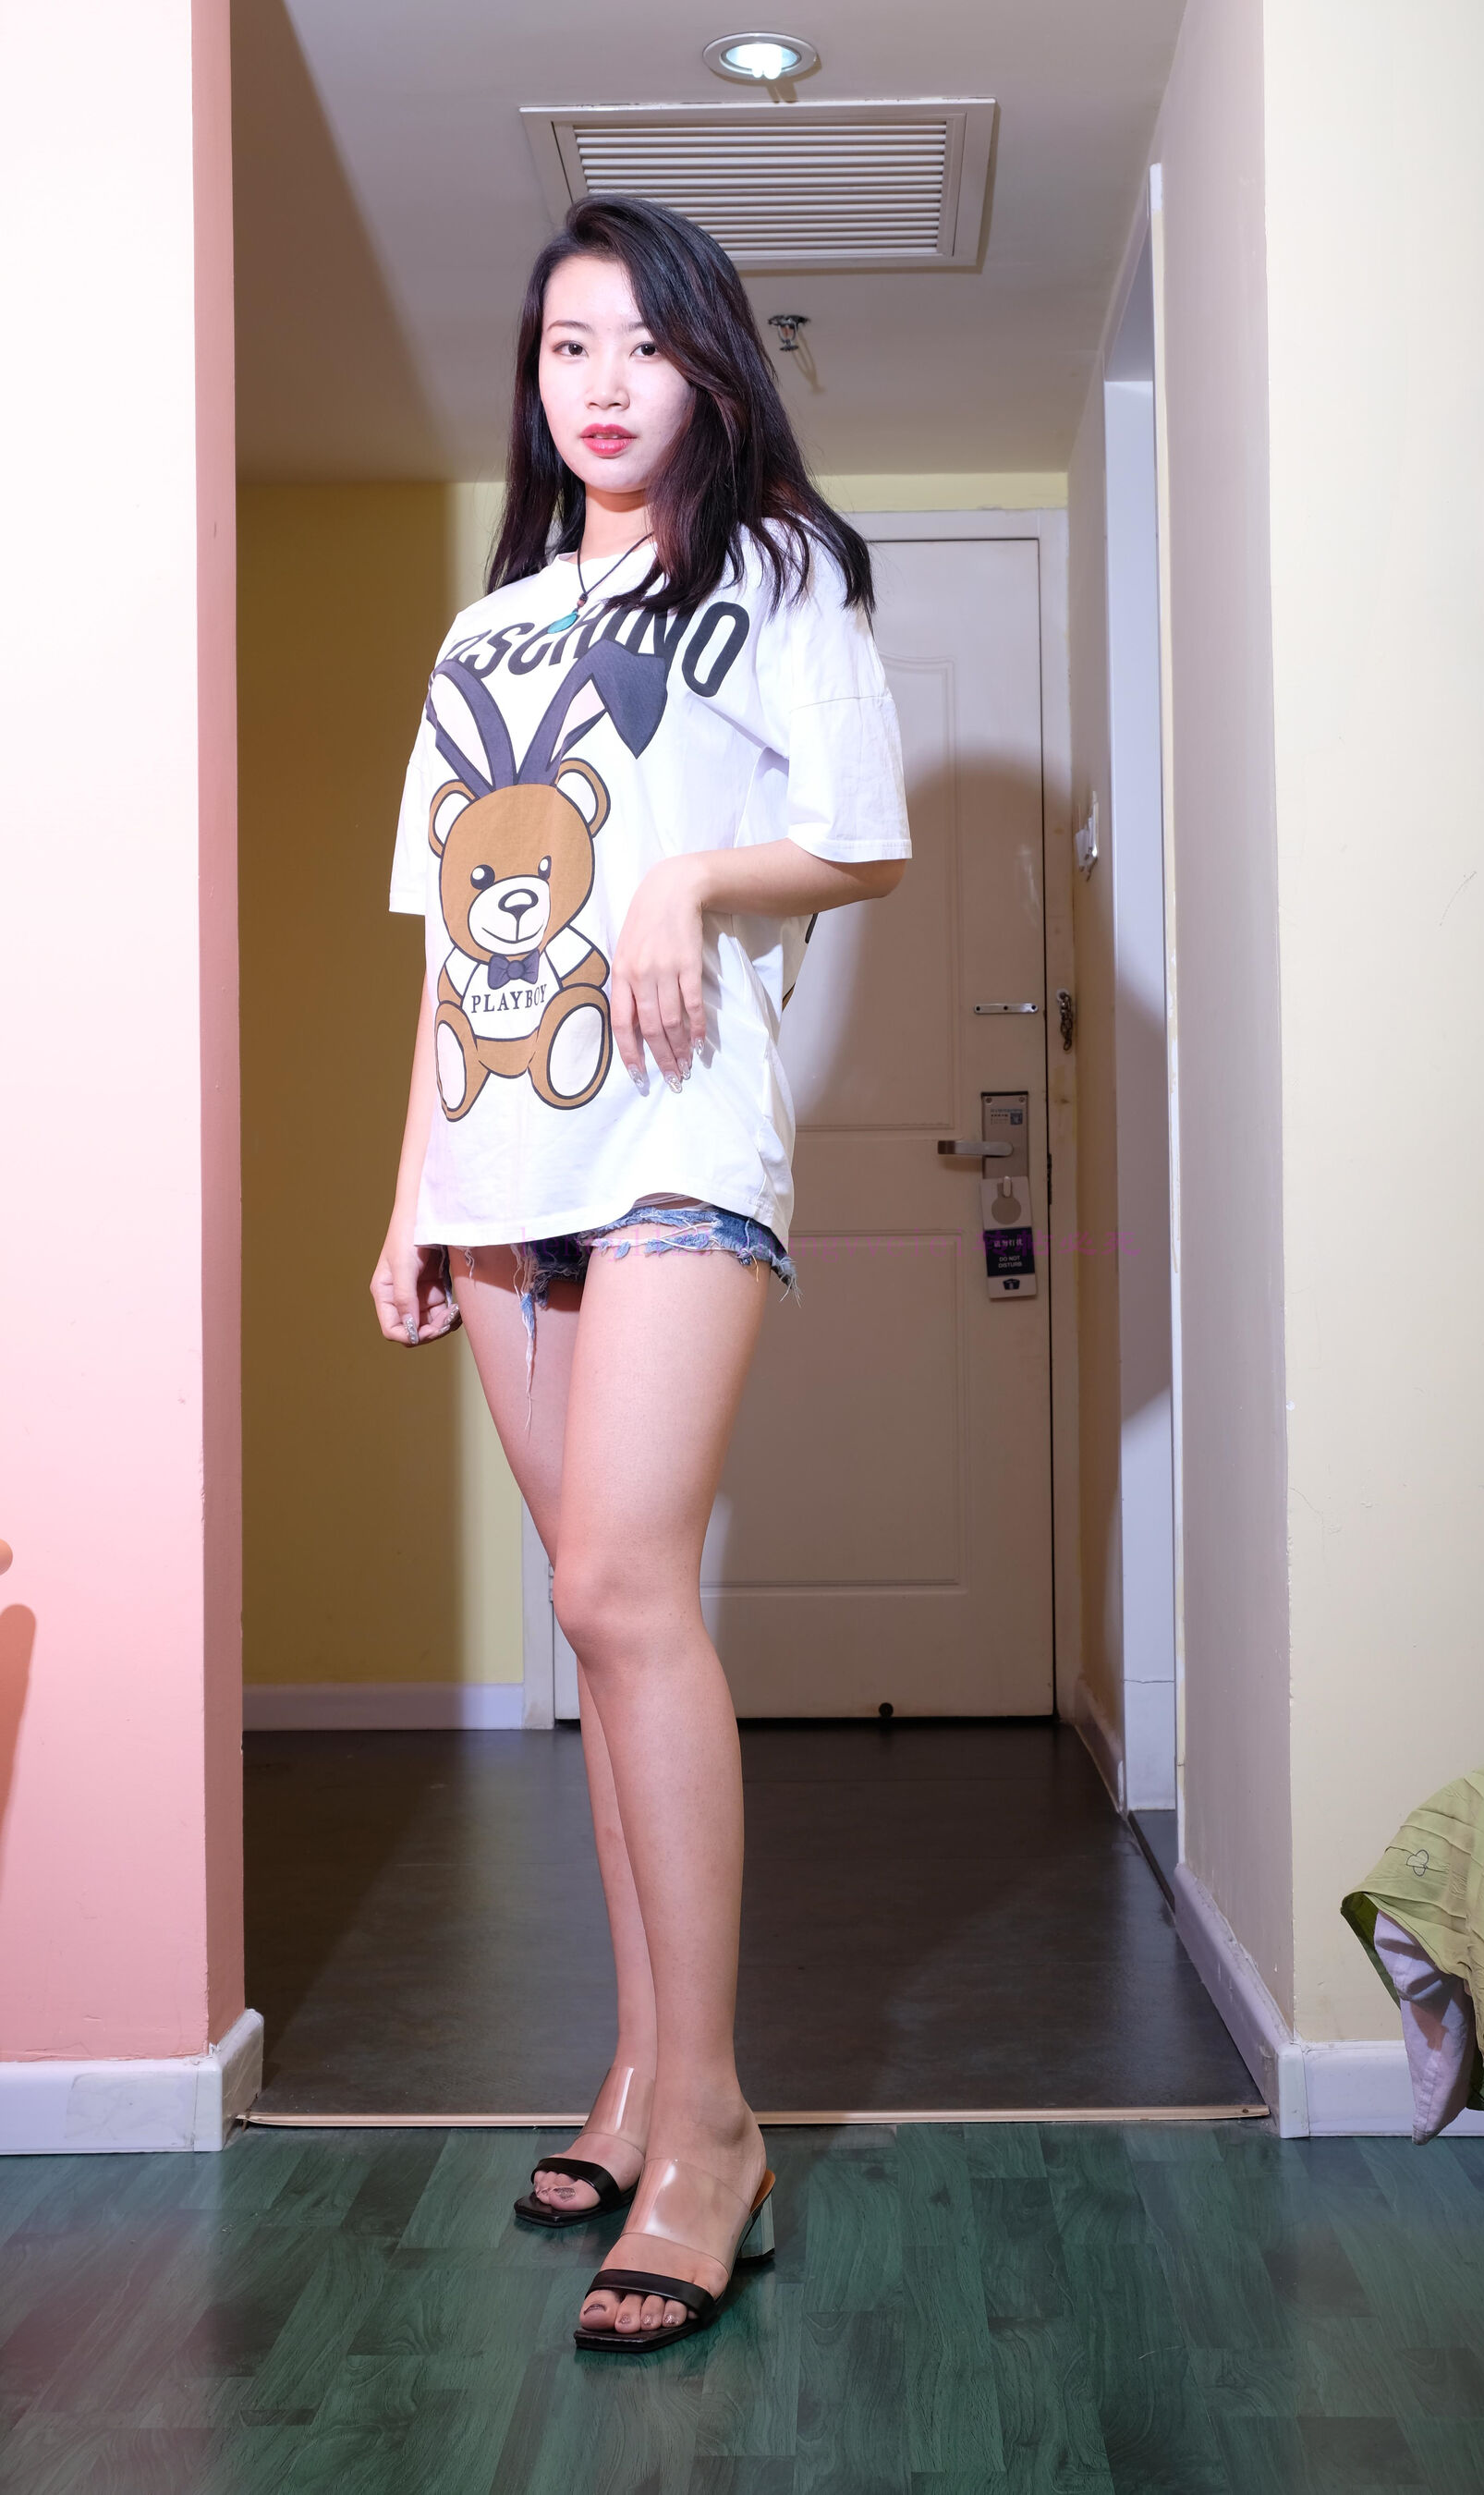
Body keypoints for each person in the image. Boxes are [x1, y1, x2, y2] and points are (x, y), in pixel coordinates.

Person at [370, 194, 910, 2353]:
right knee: (593, 1632)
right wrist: (411, 1199)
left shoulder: (779, 571)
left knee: (622, 1591)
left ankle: (708, 2127)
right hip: (503, 1172)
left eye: (643, 346)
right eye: (565, 347)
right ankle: (633, 2075)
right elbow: (448, 950)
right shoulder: (487, 630)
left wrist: (686, 878)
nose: (601, 385)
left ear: (708, 366)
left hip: (678, 1141)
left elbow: (861, 834)